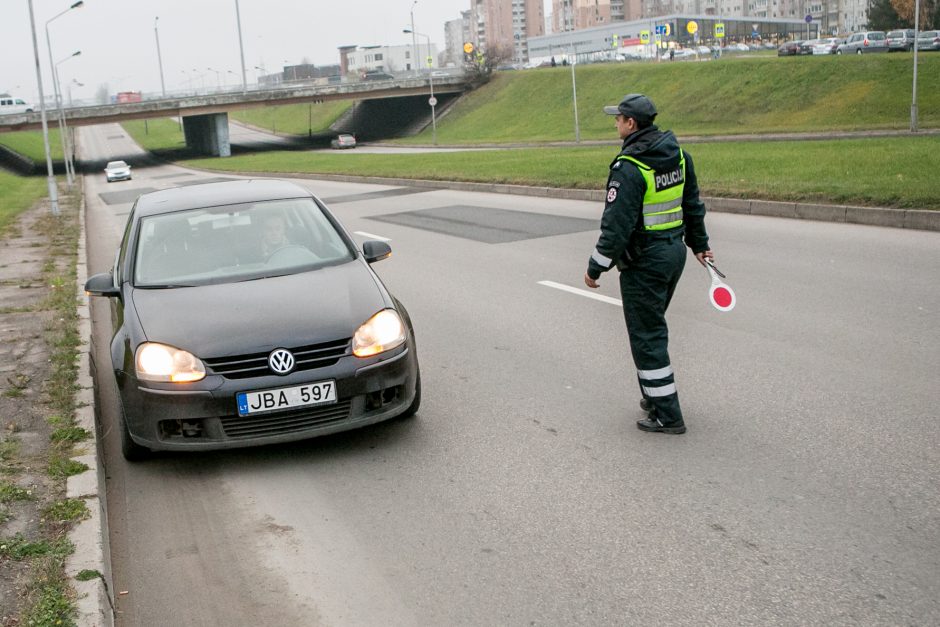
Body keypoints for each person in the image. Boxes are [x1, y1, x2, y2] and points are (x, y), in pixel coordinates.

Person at [583, 93, 714, 435]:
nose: (615, 123)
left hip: (645, 262)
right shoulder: (679, 157)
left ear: (631, 124)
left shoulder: (630, 168)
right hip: (674, 256)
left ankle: (668, 415)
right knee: (651, 328)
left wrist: (595, 267)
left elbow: (616, 227)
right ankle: (654, 397)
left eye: (619, 118)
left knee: (647, 337)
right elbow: (693, 205)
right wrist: (700, 245)